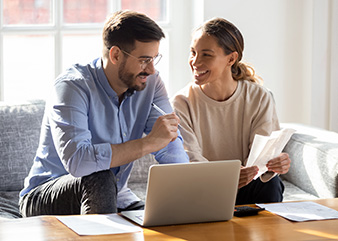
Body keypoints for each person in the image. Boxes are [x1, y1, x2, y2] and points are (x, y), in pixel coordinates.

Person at [19, 10, 189, 217]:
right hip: (45, 195)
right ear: (115, 55)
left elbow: (170, 144)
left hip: (116, 196)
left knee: (164, 220)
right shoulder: (72, 87)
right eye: (144, 60)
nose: (151, 69)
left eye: (154, 59)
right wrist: (148, 143)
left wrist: (187, 192)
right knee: (99, 177)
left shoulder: (151, 83)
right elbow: (78, 162)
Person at [172, 17, 290, 205]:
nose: (195, 61)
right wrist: (229, 177)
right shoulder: (181, 103)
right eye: (193, 52)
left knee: (271, 183)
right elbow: (190, 161)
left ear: (231, 58)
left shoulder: (259, 96)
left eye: (206, 55)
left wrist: (274, 163)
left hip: (249, 185)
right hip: (204, 188)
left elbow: (262, 156)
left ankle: (269, 233)